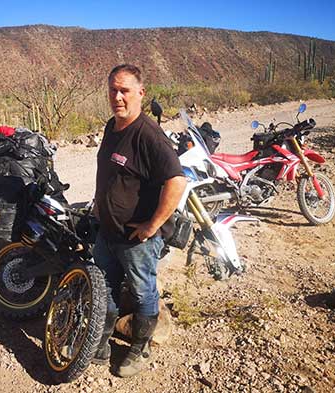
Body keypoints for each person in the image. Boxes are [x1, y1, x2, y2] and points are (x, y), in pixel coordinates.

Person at [92, 64, 187, 377]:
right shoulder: (111, 126)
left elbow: (177, 181)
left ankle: (140, 348)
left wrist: (152, 225)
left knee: (143, 291)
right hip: (107, 233)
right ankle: (102, 343)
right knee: (104, 289)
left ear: (140, 94)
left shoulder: (148, 135)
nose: (118, 97)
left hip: (136, 240)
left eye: (125, 90)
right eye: (113, 90)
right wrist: (99, 206)